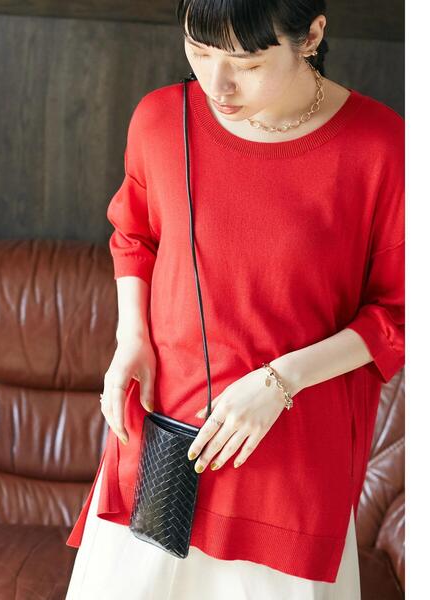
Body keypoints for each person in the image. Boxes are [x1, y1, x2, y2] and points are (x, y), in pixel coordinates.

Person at [65, 0, 404, 598]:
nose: (216, 84)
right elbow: (135, 235)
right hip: (162, 446)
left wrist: (280, 382)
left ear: (311, 35)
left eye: (246, 63)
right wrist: (131, 338)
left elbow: (399, 312)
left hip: (292, 467)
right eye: (198, 52)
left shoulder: (382, 146)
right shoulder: (160, 119)